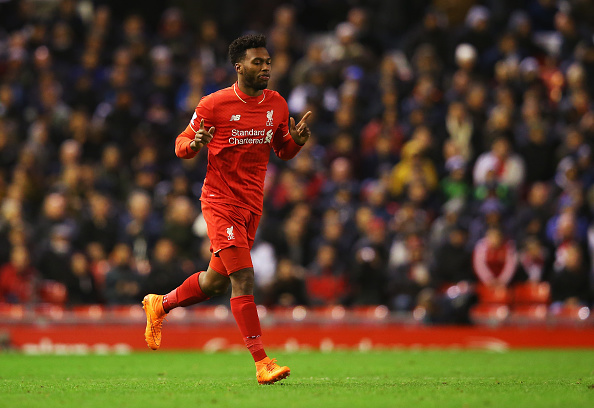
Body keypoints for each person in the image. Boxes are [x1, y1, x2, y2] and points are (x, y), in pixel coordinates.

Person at [142, 34, 311, 385]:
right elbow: (180, 145)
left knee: (214, 282)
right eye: (257, 62)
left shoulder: (277, 104)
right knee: (244, 278)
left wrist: (296, 140)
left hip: (252, 206)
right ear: (239, 67)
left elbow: (282, 149)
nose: (265, 67)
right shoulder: (213, 105)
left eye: (268, 62)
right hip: (220, 203)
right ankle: (262, 361)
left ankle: (160, 304)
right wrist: (195, 143)